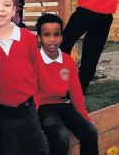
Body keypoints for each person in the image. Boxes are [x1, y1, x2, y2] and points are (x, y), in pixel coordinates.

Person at [0, 0, 47, 155]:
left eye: (7, 4)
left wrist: (36, 100)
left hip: (27, 109)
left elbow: (36, 69)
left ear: (13, 10)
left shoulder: (27, 38)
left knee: (38, 149)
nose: (1, 9)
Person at [35, 13, 98, 155]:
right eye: (47, 35)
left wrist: (86, 118)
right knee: (60, 136)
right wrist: (33, 120)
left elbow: (76, 93)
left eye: (56, 34)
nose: (52, 39)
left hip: (64, 105)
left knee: (91, 132)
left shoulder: (68, 61)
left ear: (62, 37)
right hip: (43, 108)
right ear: (39, 38)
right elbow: (31, 93)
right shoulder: (35, 60)